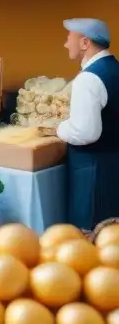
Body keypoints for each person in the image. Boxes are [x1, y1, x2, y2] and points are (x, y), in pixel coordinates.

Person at [55, 18, 119, 231]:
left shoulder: (88, 79)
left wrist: (60, 128)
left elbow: (86, 132)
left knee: (90, 232)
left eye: (68, 38)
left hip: (94, 172)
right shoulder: (114, 69)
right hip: (113, 166)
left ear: (85, 43)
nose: (66, 44)